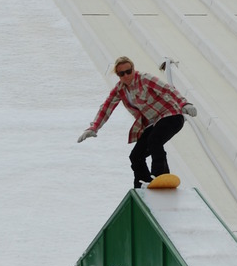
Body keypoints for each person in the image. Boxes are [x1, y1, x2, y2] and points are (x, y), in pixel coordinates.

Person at [77, 56, 197, 187]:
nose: (127, 76)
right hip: (155, 122)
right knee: (135, 156)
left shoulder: (145, 79)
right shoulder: (119, 90)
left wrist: (184, 103)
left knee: (154, 141)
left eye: (129, 71)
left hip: (172, 116)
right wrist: (93, 128)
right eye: (122, 74)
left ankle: (160, 175)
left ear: (133, 69)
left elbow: (168, 89)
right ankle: (142, 184)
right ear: (118, 75)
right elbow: (106, 108)